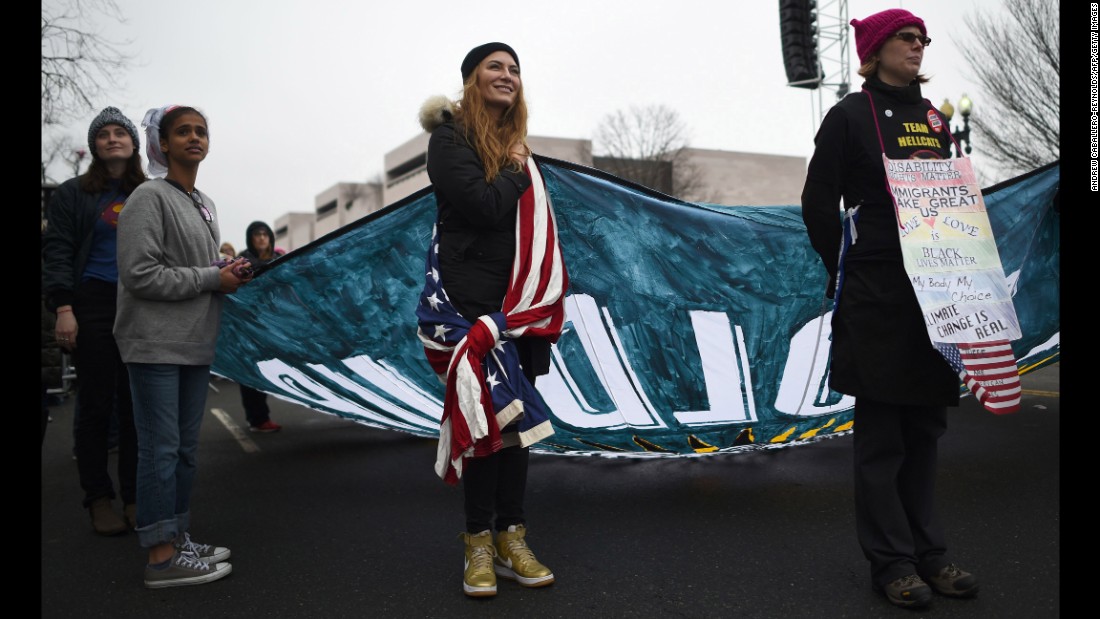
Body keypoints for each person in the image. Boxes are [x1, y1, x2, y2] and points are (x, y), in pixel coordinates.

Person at [800, 9, 979, 609]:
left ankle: (930, 552)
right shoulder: (847, 116)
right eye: (906, 37)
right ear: (875, 50)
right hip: (878, 293)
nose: (918, 46)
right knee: (883, 438)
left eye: (923, 39)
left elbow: (957, 198)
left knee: (925, 430)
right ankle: (892, 563)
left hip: (939, 293)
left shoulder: (934, 119)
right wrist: (848, 268)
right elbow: (817, 203)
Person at [415, 42, 569, 598]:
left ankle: (512, 537)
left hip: (522, 309)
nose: (506, 75)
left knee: (517, 430)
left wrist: (518, 161)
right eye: (494, 68)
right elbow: (481, 206)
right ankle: (477, 542)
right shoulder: (449, 139)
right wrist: (516, 166)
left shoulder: (517, 148)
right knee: (486, 426)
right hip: (472, 311)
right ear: (471, 81)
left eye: (514, 69)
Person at [115, 104, 251, 588]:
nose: (194, 138)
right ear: (162, 143)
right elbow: (140, 274)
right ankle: (160, 556)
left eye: (201, 131)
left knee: (185, 452)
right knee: (160, 449)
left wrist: (227, 272)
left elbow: (202, 268)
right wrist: (212, 277)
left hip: (195, 341)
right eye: (182, 132)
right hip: (154, 343)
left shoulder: (205, 202)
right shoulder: (147, 197)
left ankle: (178, 535)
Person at [42, 106, 145, 536]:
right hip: (94, 303)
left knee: (138, 407)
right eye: (103, 134)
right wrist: (64, 309)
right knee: (96, 406)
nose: (113, 138)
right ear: (94, 145)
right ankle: (98, 499)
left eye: (121, 132)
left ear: (134, 143)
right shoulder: (72, 194)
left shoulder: (150, 191)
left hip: (142, 303)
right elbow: (58, 250)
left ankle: (138, 497)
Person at [236, 220, 285, 433]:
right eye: (257, 234)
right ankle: (258, 418)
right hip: (250, 326)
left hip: (277, 325)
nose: (262, 238)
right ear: (251, 238)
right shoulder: (242, 262)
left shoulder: (281, 260)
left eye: (265, 234)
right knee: (252, 372)